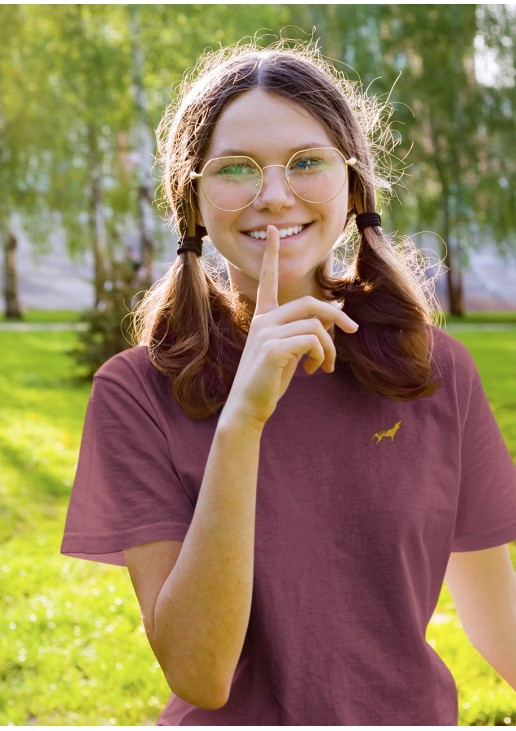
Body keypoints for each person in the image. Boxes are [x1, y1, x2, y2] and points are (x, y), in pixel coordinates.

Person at [61, 41, 516, 725]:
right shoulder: (136, 391)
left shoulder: (435, 369)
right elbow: (199, 670)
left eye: (307, 162)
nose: (274, 196)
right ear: (191, 201)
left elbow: (495, 610)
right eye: (237, 169)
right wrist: (242, 419)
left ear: (354, 185)